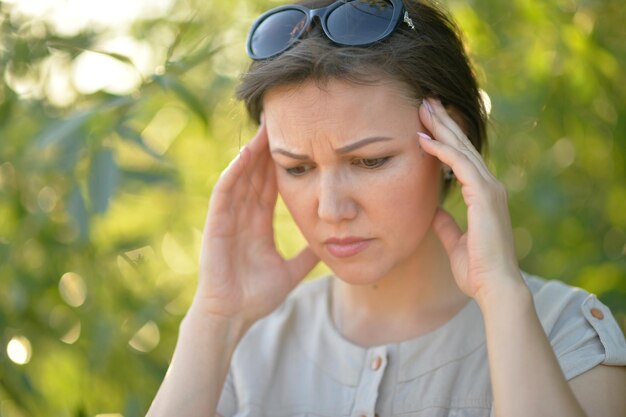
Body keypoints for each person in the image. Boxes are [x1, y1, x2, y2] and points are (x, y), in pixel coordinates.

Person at [146, 1, 626, 416]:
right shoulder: (240, 353)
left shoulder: (567, 334)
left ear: (448, 143)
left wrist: (501, 296)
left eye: (370, 160)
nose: (331, 209)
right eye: (296, 167)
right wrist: (214, 317)